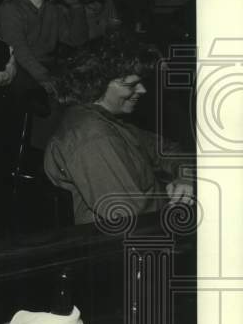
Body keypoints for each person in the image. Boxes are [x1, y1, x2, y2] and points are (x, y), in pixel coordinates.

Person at [44, 34, 194, 226]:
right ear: (97, 83)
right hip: (121, 245)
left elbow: (166, 148)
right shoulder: (94, 137)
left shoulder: (106, 120)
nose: (142, 90)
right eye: (132, 85)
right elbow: (131, 221)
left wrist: (184, 177)